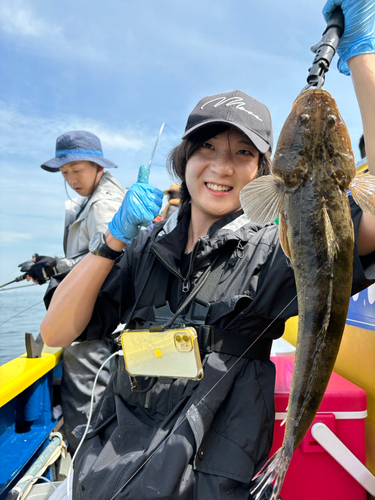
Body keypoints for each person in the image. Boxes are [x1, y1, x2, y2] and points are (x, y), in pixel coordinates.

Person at [41, 1, 375, 498]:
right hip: (108, 476)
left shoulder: (279, 251)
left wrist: (362, 58)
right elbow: (55, 332)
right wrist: (111, 241)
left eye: (243, 153)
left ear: (266, 173)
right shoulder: (144, 250)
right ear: (184, 159)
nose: (222, 167)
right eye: (207, 148)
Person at [30, 130, 127, 453]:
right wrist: (51, 263)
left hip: (95, 324)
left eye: (77, 170)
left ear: (98, 166)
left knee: (90, 410)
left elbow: (107, 261)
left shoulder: (104, 204)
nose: (71, 178)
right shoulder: (93, 199)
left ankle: (91, 470)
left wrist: (55, 265)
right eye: (65, 172)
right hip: (91, 322)